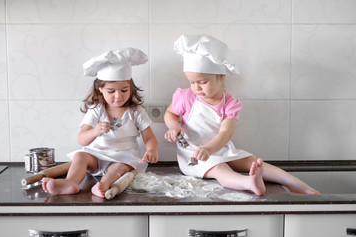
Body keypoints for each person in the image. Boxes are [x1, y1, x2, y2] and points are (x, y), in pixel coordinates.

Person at [164, 34, 319, 196]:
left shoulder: (230, 103)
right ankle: (249, 183)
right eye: (192, 82)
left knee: (250, 161)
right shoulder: (187, 97)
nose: (196, 88)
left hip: (219, 148)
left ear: (221, 76)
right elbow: (170, 113)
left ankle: (296, 184)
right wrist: (174, 127)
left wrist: (210, 149)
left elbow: (225, 133)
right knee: (219, 168)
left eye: (202, 82)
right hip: (193, 154)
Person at [42, 48, 158, 198]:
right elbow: (82, 139)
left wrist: (151, 151)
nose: (118, 96)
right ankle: (70, 182)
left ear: (131, 88)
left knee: (120, 167)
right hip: (95, 155)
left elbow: (149, 137)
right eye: (111, 91)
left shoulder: (136, 111)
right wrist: (95, 131)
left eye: (124, 90)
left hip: (123, 156)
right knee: (80, 156)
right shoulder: (96, 110)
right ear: (100, 89)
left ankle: (103, 185)